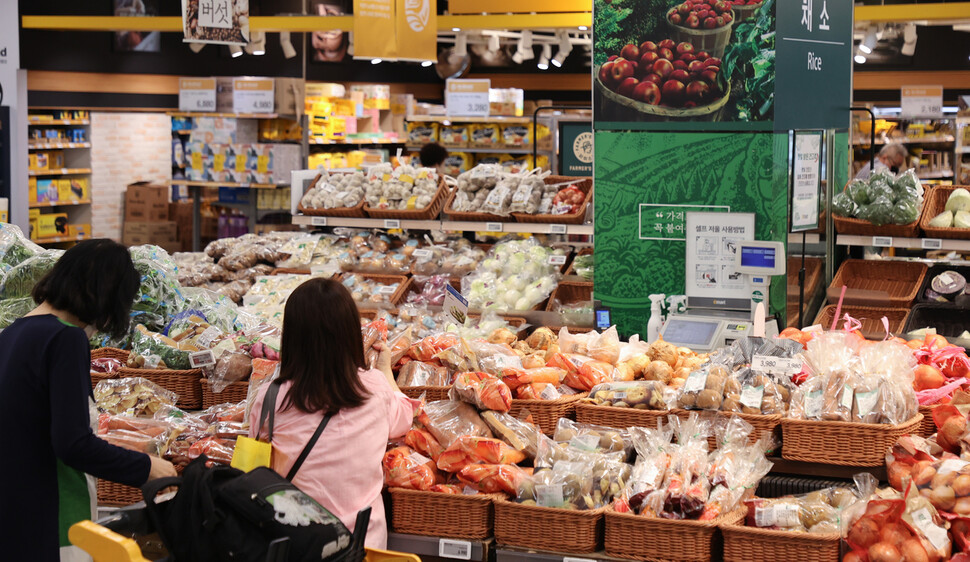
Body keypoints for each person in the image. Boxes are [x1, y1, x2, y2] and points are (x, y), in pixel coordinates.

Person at [0, 239, 178, 562]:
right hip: (54, 520)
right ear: (105, 298)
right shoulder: (65, 339)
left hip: (13, 516)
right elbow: (72, 444)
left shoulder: (12, 334)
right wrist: (147, 467)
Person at [249, 278, 418, 549]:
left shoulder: (270, 397)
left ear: (292, 336)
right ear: (350, 333)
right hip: (362, 546)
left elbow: (255, 465)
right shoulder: (374, 386)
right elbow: (402, 422)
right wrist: (385, 370)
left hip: (294, 543)